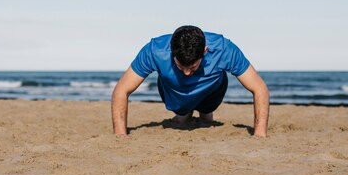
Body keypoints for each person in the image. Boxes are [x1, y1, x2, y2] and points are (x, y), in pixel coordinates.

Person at [111, 25, 270, 137]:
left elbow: (259, 88)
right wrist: (120, 134)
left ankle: (204, 112)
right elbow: (121, 90)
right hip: (174, 90)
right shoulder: (154, 50)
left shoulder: (224, 49)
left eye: (193, 66)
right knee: (181, 117)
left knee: (206, 120)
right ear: (172, 52)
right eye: (181, 66)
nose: (187, 73)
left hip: (212, 90)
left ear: (205, 51)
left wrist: (260, 134)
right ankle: (184, 112)